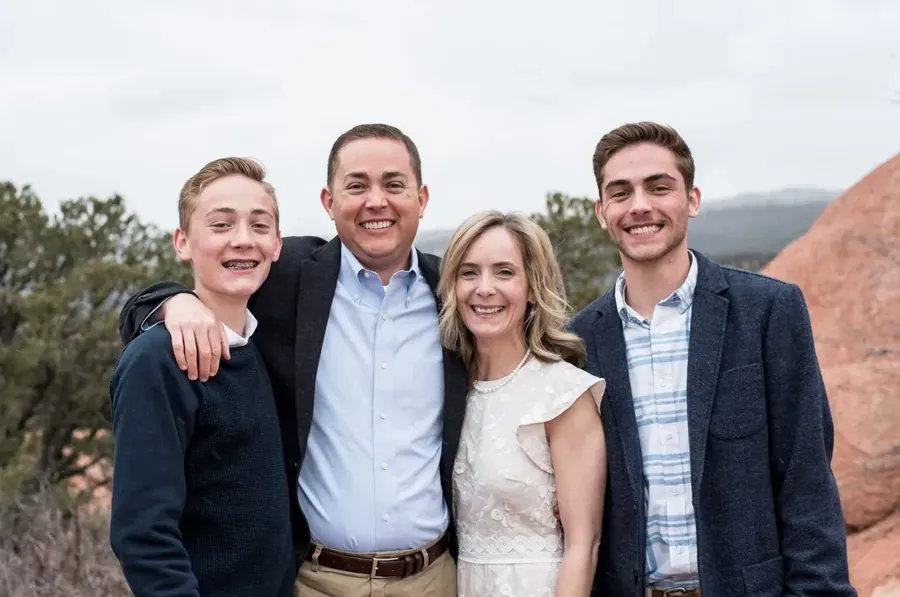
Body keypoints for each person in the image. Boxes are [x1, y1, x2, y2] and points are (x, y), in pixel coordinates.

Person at [116, 124, 466, 597]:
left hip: (435, 578)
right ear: (329, 201)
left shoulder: (458, 294)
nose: (376, 201)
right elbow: (213, 279)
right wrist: (169, 301)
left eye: (394, 184)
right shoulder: (288, 281)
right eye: (357, 185)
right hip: (314, 580)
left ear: (421, 198)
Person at [568, 121, 857, 596]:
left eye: (659, 187)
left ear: (692, 200)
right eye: (620, 193)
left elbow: (807, 481)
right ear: (602, 212)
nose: (639, 205)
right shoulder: (577, 342)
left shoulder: (768, 311)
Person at [109, 157, 296, 596]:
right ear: (182, 242)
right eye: (221, 225)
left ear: (277, 244)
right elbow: (143, 536)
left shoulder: (260, 344)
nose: (242, 240)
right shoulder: (159, 359)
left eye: (259, 225)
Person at [437, 210, 607, 597]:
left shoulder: (562, 393)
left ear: (532, 287)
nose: (484, 288)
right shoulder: (449, 389)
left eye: (504, 272)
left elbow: (585, 544)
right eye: (469, 273)